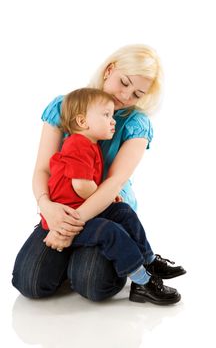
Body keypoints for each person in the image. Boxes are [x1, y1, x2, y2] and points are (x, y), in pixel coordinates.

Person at [12, 44, 186, 304]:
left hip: (105, 206)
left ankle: (141, 266)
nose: (126, 96)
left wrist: (69, 227)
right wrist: (47, 207)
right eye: (124, 82)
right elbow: (42, 169)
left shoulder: (136, 124)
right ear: (109, 70)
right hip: (64, 208)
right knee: (29, 282)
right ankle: (77, 257)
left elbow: (114, 182)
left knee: (92, 283)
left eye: (137, 93)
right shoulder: (66, 107)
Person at [39, 87, 185, 305]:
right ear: (82, 122)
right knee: (111, 232)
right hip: (66, 216)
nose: (113, 120)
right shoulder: (78, 144)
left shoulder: (90, 144)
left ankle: (149, 260)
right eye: (106, 115)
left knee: (124, 212)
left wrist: (109, 197)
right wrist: (104, 195)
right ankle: (142, 282)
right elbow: (80, 185)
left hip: (85, 209)